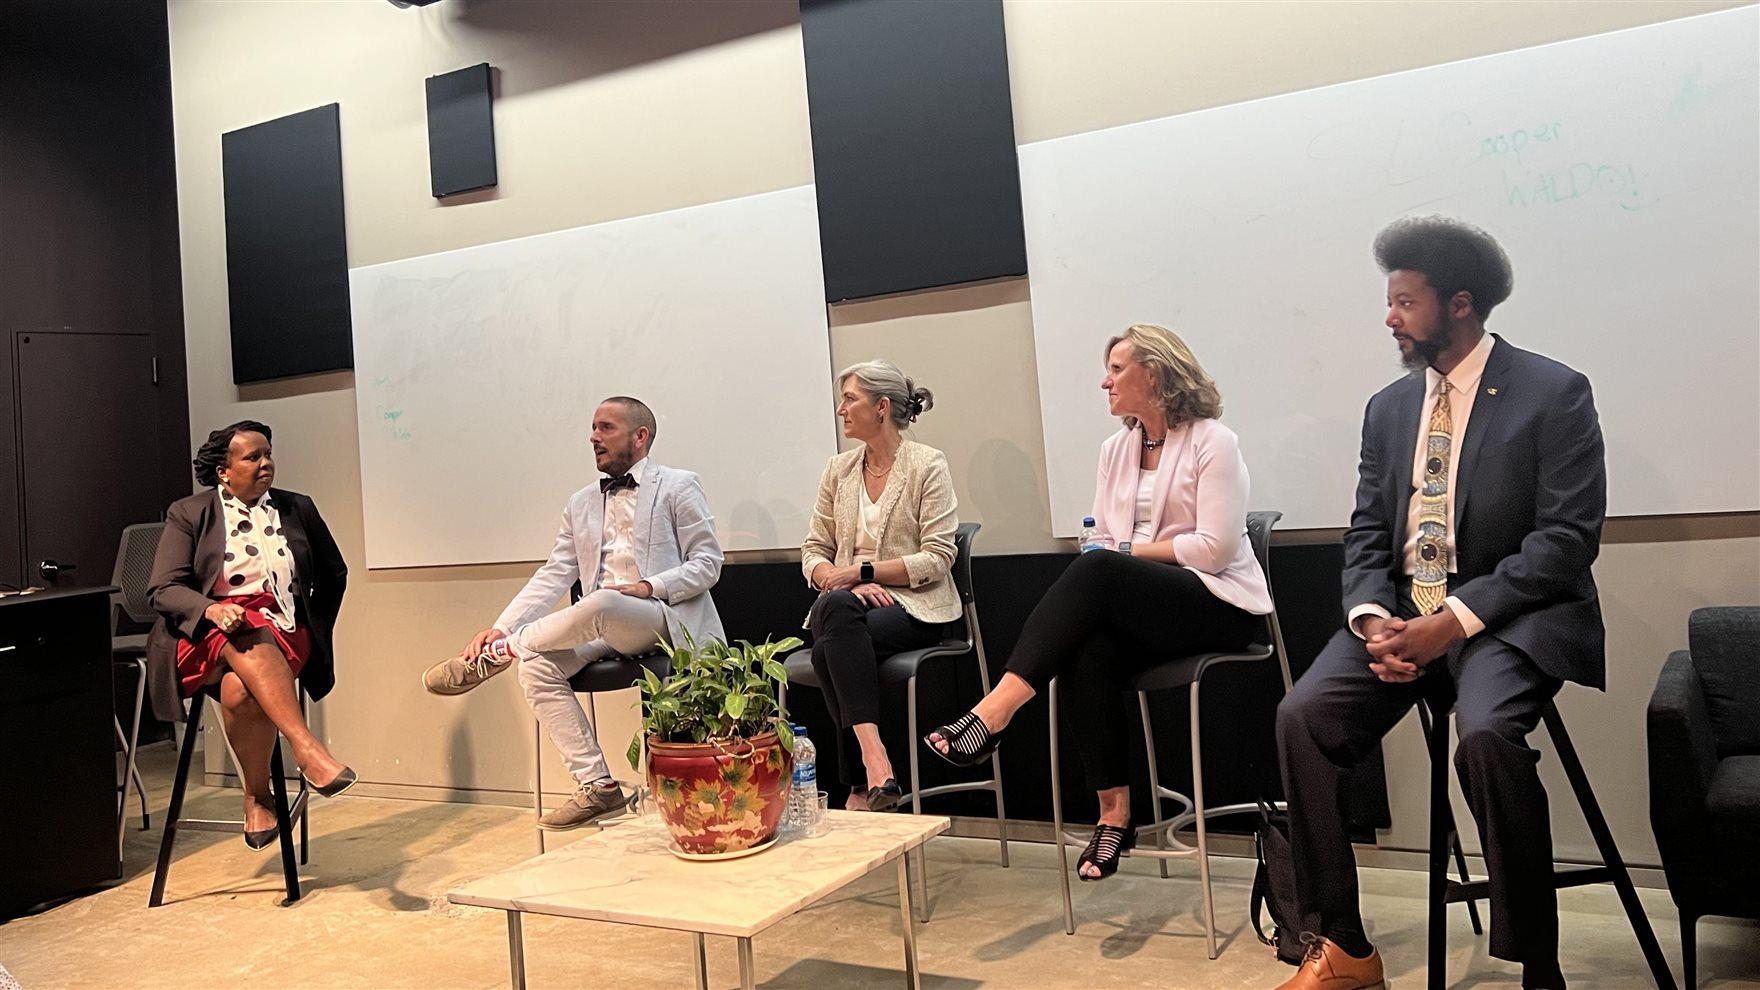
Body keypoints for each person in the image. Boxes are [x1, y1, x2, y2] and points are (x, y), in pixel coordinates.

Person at [1271, 216, 1606, 990]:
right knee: (1303, 718)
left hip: (1510, 620)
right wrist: (1372, 616)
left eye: (1403, 301)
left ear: (1459, 304)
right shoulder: (1388, 409)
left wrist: (1450, 623)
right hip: (1404, 619)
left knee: (1485, 736)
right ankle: (1345, 947)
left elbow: (1565, 540)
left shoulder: (1552, 392)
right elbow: (1365, 532)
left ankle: (1537, 966)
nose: (1389, 317)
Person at [924, 324, 1272, 880]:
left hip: (1218, 604)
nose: (1103, 382)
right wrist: (1119, 555)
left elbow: (1213, 549)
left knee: (1098, 568)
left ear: (1152, 374)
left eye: (1116, 370)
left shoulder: (1213, 441)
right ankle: (1114, 816)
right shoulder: (1116, 449)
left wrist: (1127, 553)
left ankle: (998, 708)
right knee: (1086, 647)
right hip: (1144, 603)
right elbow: (1103, 536)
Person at [422, 396, 725, 831]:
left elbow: (707, 563)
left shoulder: (678, 485)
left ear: (639, 437)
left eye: (606, 428)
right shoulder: (580, 502)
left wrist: (647, 586)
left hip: (663, 618)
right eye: (593, 428)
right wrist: (500, 624)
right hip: (604, 624)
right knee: (537, 665)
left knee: (599, 602)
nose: (593, 437)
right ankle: (598, 786)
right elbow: (555, 574)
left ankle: (501, 653)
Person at [146, 420, 354, 849]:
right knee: (245, 626)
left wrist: (314, 626)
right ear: (224, 470)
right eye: (253, 457)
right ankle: (307, 749)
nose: (266, 464)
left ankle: (257, 798)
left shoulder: (299, 507)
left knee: (240, 690)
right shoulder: (189, 513)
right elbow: (163, 589)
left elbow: (335, 573)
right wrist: (213, 608)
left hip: (282, 631)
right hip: (204, 635)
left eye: (268, 454)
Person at [801, 360, 959, 812]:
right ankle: (876, 767)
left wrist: (861, 573)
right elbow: (813, 548)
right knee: (835, 618)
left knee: (825, 644)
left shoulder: (927, 464)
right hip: (851, 609)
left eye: (850, 399)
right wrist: (830, 576)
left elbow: (937, 557)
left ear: (882, 407)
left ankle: (860, 780)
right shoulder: (839, 470)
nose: (841, 410)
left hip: (916, 608)